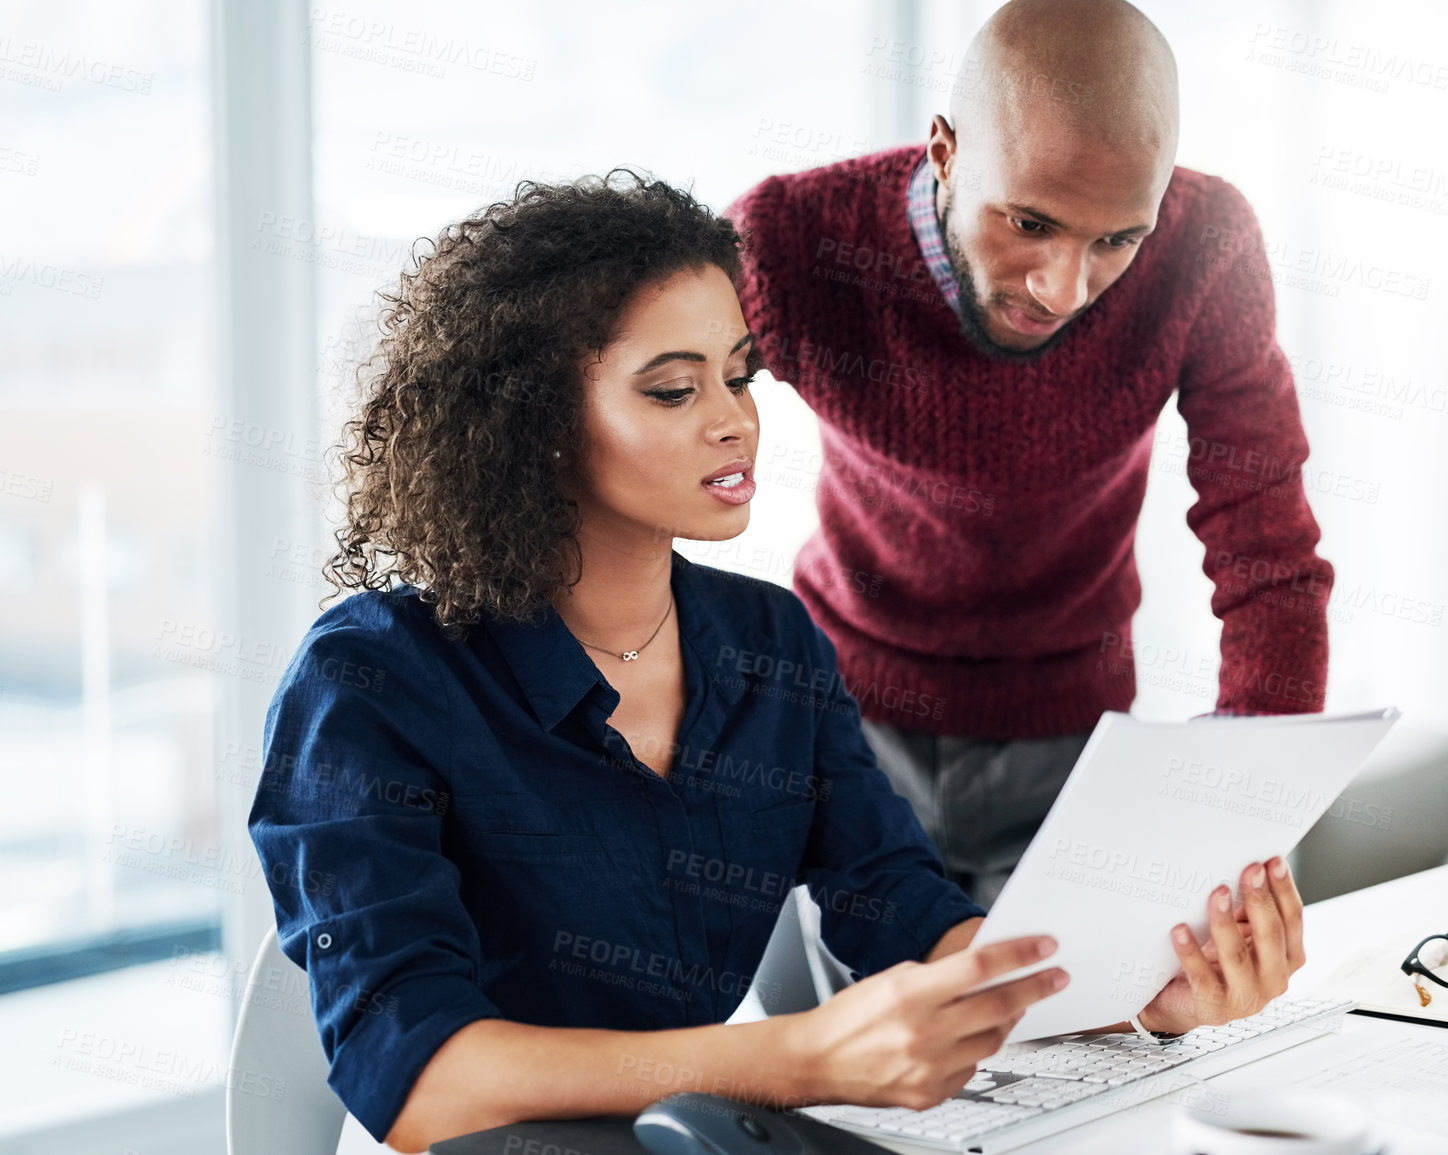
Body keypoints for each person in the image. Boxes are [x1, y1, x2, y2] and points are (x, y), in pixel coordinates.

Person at [249, 171, 1309, 1153]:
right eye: (672, 391)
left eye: (740, 375)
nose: (734, 422)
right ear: (531, 429)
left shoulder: (771, 645)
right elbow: (418, 1075)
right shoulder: (371, 680)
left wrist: (1127, 992)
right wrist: (796, 1058)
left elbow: (902, 909)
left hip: (694, 1132)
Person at [726, 0, 1335, 907]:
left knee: (1079, 1039)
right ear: (944, 151)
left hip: (1070, 743)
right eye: (1029, 223)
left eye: (1117, 239)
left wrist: (1241, 812)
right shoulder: (787, 242)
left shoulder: (1206, 243)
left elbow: (1267, 547)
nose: (1065, 287)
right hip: (832, 721)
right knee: (843, 1043)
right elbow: (634, 446)